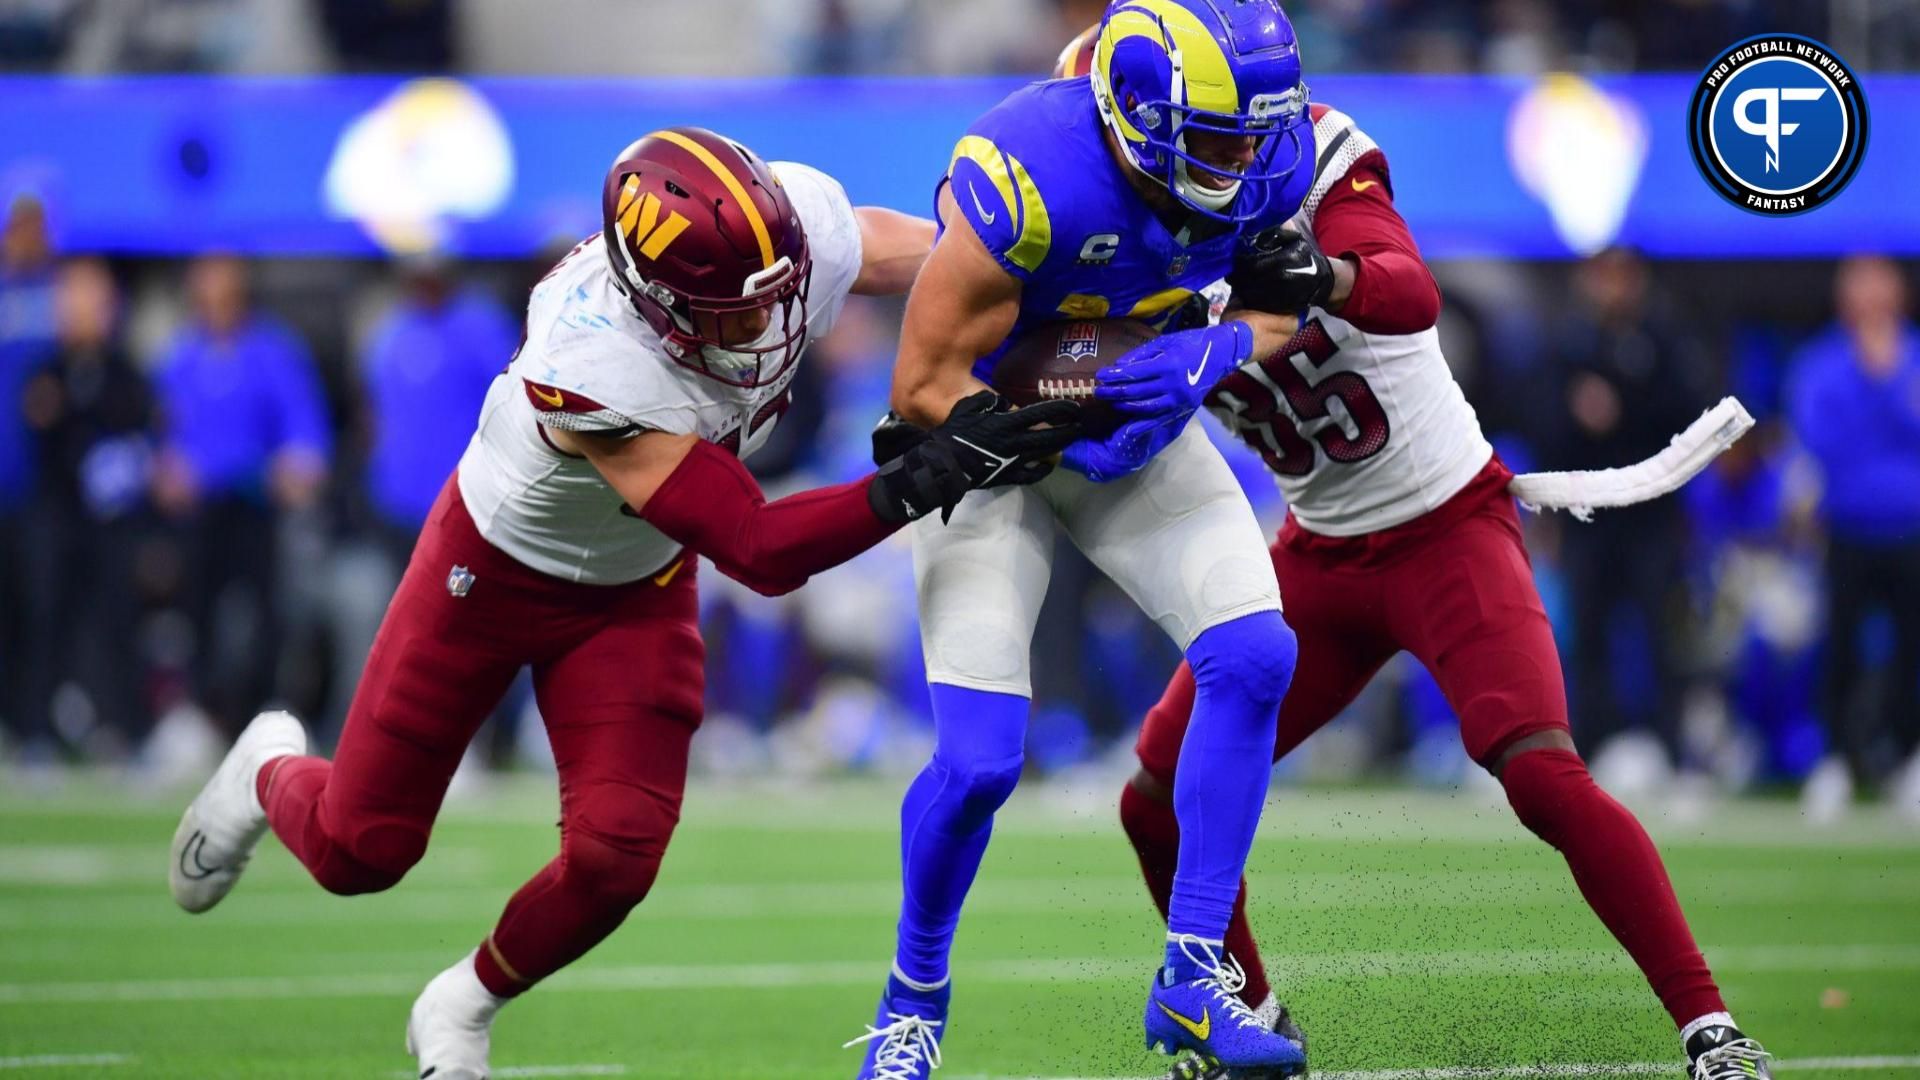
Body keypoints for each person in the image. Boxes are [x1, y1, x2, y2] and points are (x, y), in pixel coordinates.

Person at [166, 127, 1078, 1080]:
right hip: (491, 571)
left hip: (633, 583)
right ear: (658, 303)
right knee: (364, 850)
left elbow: (931, 258)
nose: (768, 325)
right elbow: (757, 547)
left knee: (616, 859)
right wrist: (924, 475)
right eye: (735, 311)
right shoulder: (591, 355)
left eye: (779, 291)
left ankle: (462, 1005)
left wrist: (1035, 281)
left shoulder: (783, 230)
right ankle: (270, 767)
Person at [1048, 28, 1774, 1080]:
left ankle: (1711, 1028)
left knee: (1540, 774)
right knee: (1150, 800)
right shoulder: (1113, 263)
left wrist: (1321, 274)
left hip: (1446, 527)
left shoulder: (1310, 162)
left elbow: (1404, 287)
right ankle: (1251, 1019)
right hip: (1317, 552)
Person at [849, 2, 1320, 1075]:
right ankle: (912, 996)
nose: (1243, 163)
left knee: (1255, 653)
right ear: (1133, 115)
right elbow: (919, 382)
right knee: (976, 767)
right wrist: (1057, 395)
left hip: (1133, 436)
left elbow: (1284, 296)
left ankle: (1194, 978)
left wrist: (1222, 348)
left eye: (1254, 135)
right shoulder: (1033, 172)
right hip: (994, 446)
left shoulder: (1263, 159)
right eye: (1216, 140)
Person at [150, 253, 333, 735]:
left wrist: (296, 465)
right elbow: (159, 434)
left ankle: (270, 710)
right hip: (199, 513)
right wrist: (166, 468)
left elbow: (305, 432)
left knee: (270, 606)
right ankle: (197, 714)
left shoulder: (272, 349)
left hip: (257, 505)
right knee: (195, 609)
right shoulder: (181, 355)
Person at [1789, 255, 1920, 821]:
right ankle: (1837, 761)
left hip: (1912, 528)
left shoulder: (1912, 358)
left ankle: (1909, 758)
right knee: (1839, 647)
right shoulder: (1821, 363)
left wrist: (1889, 379)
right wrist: (1874, 383)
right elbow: (1819, 437)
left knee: (1912, 649)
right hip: (1848, 527)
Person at [18, 258, 153, 755]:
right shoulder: (46, 372)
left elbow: (138, 442)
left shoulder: (126, 374)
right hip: (56, 515)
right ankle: (35, 731)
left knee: (118, 618)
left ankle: (127, 730)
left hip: (112, 523)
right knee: (45, 616)